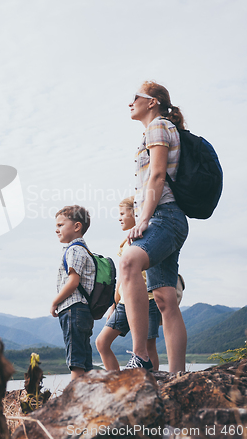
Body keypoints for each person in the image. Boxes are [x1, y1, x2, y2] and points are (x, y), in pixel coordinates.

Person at [120, 81, 189, 373]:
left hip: (164, 217)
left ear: (152, 102)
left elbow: (158, 175)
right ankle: (177, 375)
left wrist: (144, 219)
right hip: (166, 218)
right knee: (164, 298)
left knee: (129, 263)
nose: (129, 102)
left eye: (135, 97)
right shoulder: (155, 129)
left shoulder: (158, 127)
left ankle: (141, 358)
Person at [96, 196, 161, 371]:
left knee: (148, 347)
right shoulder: (125, 243)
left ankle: (154, 382)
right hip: (124, 304)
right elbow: (122, 280)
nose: (119, 218)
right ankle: (116, 382)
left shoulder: (150, 238)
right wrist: (113, 305)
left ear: (136, 213)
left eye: (123, 213)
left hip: (147, 300)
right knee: (102, 342)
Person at [51, 205, 95, 380]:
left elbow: (73, 282)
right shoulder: (83, 250)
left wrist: (55, 301)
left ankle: (74, 399)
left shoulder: (74, 250)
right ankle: (89, 397)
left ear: (77, 226)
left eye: (61, 225)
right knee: (85, 358)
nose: (56, 229)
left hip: (73, 308)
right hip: (83, 310)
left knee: (76, 360)